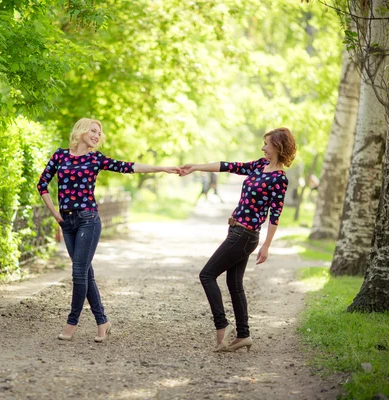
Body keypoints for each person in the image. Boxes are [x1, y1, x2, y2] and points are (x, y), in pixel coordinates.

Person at [37, 118, 180, 342]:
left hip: (88, 221)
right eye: (93, 131)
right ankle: (102, 322)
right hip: (67, 222)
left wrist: (162, 168)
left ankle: (71, 323)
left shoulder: (95, 159)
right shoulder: (60, 155)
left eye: (99, 133)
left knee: (78, 272)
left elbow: (129, 167)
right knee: (86, 273)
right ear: (81, 130)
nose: (96, 135)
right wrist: (55, 214)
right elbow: (42, 184)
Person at [180, 127, 297, 352]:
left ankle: (222, 326)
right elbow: (228, 166)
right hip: (236, 231)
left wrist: (267, 246)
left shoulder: (279, 179)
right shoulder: (258, 166)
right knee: (234, 284)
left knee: (206, 275)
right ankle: (243, 335)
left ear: (278, 147)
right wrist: (196, 167)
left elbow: (275, 214)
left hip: (246, 235)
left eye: (267, 144)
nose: (263, 147)